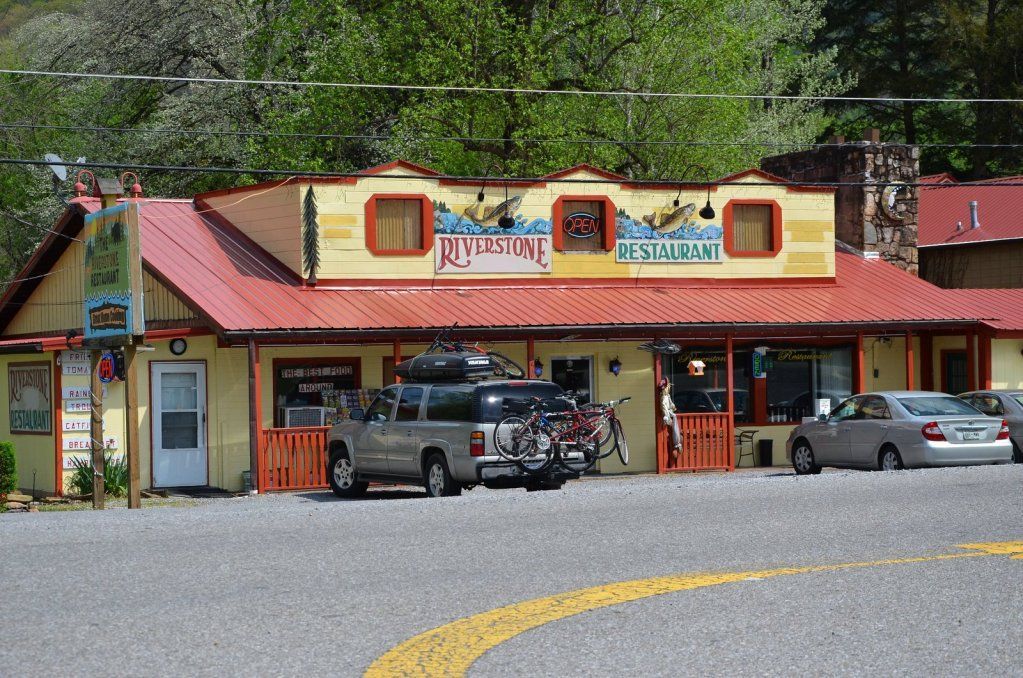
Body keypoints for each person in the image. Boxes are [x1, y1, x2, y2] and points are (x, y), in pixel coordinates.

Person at [660, 378, 682, 453]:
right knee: (673, 429)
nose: (669, 389)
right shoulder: (663, 397)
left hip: (670, 414)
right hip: (668, 416)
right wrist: (666, 416)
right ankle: (676, 443)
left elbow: (670, 403)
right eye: (668, 387)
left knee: (674, 429)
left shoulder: (667, 396)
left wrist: (673, 406)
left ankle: (677, 443)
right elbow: (664, 407)